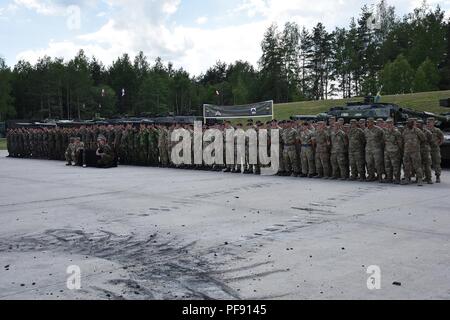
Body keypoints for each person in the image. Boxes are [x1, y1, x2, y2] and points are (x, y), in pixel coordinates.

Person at [402, 118, 425, 186]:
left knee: (417, 166)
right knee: (406, 166)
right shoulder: (405, 131)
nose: (408, 124)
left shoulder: (417, 131)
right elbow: (403, 140)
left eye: (410, 123)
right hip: (407, 151)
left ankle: (419, 179)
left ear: (412, 123)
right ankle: (407, 178)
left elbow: (423, 139)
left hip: (415, 152)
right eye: (407, 123)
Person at [383, 119, 403, 184]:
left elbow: (400, 143)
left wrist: (399, 151)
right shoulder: (385, 132)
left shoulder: (397, 133)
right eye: (387, 124)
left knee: (396, 166)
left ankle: (397, 179)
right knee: (387, 166)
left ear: (393, 124)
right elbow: (384, 141)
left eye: (390, 124)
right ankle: (389, 178)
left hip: (395, 152)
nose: (389, 125)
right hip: (387, 151)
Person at [426, 117, 444, 183]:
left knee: (436, 162)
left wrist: (437, 144)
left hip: (435, 149)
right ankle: (428, 177)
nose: (428, 123)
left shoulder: (437, 130)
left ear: (433, 123)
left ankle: (438, 176)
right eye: (427, 122)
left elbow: (442, 138)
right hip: (427, 149)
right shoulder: (424, 130)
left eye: (429, 122)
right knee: (427, 163)